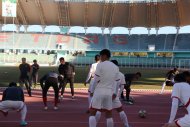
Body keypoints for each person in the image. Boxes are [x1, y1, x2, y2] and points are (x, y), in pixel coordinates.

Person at [94, 60, 130, 127]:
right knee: (120, 110)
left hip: (105, 94)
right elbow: (122, 87)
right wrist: (118, 96)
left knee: (99, 110)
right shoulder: (121, 75)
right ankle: (126, 125)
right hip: (114, 96)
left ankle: (94, 125)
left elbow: (98, 83)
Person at [89, 49, 119, 127]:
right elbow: (116, 82)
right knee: (109, 113)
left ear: (105, 55)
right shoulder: (115, 67)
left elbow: (95, 80)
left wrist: (92, 91)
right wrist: (115, 93)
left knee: (92, 112)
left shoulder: (100, 65)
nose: (100, 57)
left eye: (101, 55)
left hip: (99, 91)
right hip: (109, 93)